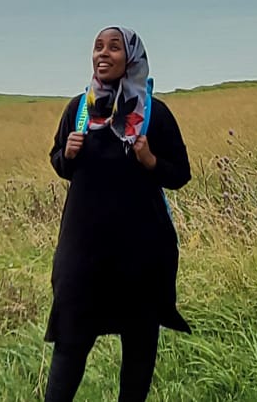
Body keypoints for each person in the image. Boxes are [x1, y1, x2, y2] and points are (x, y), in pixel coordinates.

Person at [44, 26, 192, 402]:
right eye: (97, 47)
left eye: (113, 48)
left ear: (132, 58)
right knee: (70, 340)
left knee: (139, 343)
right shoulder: (79, 110)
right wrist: (69, 155)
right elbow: (60, 162)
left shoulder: (153, 114)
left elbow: (179, 174)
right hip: (83, 251)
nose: (103, 54)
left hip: (140, 253)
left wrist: (150, 160)